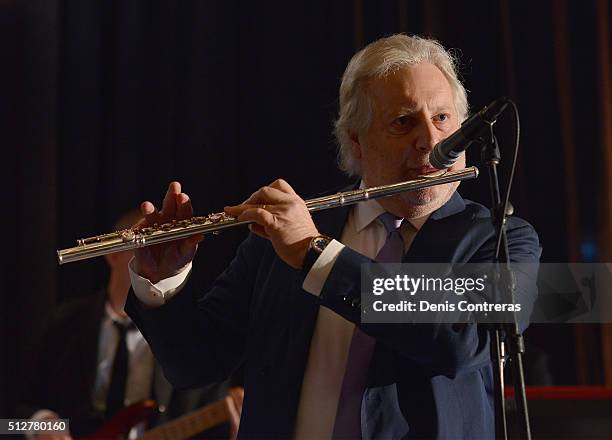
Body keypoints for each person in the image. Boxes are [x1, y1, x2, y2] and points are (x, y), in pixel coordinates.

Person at [125, 34, 541, 439]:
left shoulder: (502, 239)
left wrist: (315, 255)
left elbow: (460, 339)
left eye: (442, 118)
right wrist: (163, 282)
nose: (430, 141)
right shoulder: (285, 235)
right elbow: (196, 365)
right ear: (357, 140)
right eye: (403, 121)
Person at [16, 211, 232, 440]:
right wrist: (42, 425)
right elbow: (8, 423)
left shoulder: (187, 335)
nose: (158, 260)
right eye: (146, 247)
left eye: (165, 249)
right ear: (112, 253)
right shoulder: (64, 322)